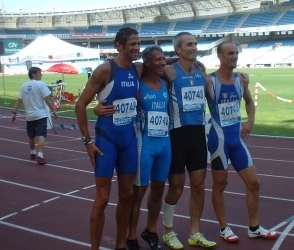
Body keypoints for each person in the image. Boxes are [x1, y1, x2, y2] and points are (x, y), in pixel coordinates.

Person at [75, 27, 144, 250]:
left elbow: (161, 61)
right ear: (119, 46)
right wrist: (87, 142)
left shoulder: (138, 69)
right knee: (103, 197)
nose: (136, 47)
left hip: (128, 140)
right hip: (107, 140)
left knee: (127, 194)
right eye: (132, 44)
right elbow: (80, 105)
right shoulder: (105, 70)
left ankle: (120, 245)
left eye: (138, 43)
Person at [205, 42, 280, 243]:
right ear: (220, 56)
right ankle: (223, 228)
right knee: (220, 184)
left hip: (236, 139)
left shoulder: (241, 80)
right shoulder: (209, 82)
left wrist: (250, 120)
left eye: (236, 53)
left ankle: (254, 227)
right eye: (230, 53)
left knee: (254, 183)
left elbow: (248, 101)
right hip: (218, 139)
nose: (235, 56)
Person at [161, 32, 216, 249]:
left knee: (199, 185)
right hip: (176, 135)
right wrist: (172, 59)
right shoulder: (170, 71)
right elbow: (148, 64)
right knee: (176, 187)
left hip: (197, 135)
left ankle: (195, 232)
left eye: (195, 43)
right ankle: (168, 231)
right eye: (189, 44)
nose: (194, 47)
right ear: (178, 49)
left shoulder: (202, 71)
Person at [126, 45, 171, 250]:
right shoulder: (137, 85)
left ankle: (150, 230)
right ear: (147, 63)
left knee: (159, 190)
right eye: (158, 59)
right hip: (145, 145)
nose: (162, 62)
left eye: (164, 59)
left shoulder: (165, 83)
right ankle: (132, 236)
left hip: (165, 145)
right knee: (139, 192)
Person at [11, 67, 58, 165]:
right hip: (41, 114)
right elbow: (47, 99)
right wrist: (54, 110)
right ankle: (40, 155)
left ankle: (33, 152)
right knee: (41, 134)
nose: (41, 74)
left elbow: (19, 100)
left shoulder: (24, 86)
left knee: (31, 135)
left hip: (29, 115)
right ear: (33, 74)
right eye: (39, 73)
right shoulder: (41, 84)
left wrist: (14, 113)